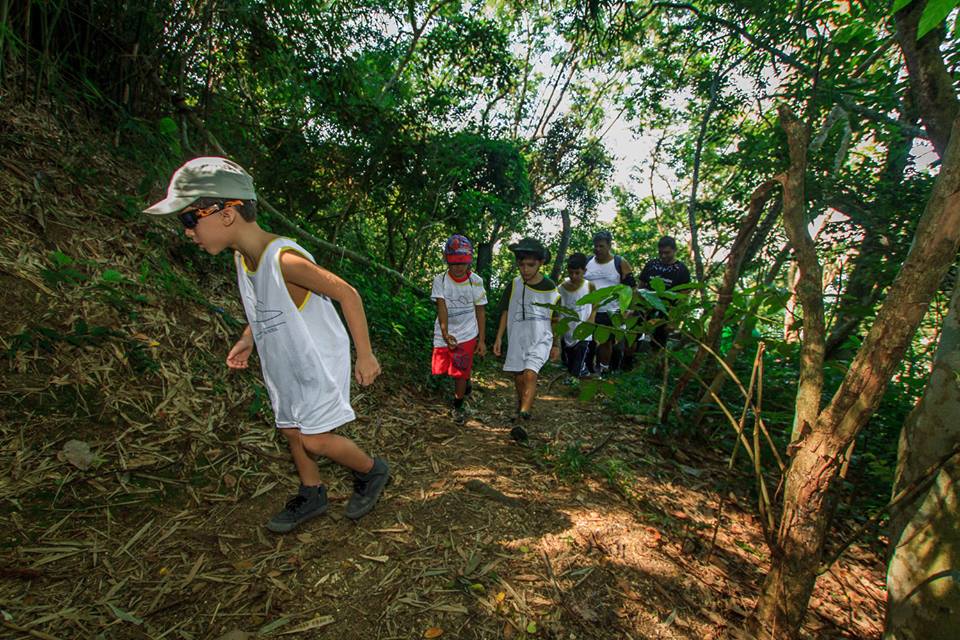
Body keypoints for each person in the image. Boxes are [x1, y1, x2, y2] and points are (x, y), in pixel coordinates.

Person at [144, 157, 390, 533]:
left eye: (189, 219)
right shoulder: (244, 257)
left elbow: (348, 293)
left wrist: (366, 354)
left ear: (226, 214)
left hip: (316, 360)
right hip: (284, 358)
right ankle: (312, 491)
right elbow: (265, 305)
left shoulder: (283, 259)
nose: (188, 232)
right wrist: (247, 339)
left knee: (315, 439)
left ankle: (372, 471)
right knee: (290, 428)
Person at [492, 237, 560, 440]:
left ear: (540, 263)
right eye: (521, 265)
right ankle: (522, 405)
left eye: (530, 265)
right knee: (520, 377)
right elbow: (505, 312)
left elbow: (556, 318)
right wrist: (498, 338)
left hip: (541, 338)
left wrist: (556, 344)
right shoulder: (513, 285)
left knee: (530, 374)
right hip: (517, 338)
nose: (525, 269)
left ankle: (523, 416)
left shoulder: (550, 287)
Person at [431, 234, 487, 422]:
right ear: (447, 261)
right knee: (442, 369)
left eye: (462, 263)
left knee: (459, 370)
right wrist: (445, 333)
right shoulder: (441, 280)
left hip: (467, 332)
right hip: (445, 332)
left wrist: (482, 340)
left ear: (469, 261)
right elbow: (442, 306)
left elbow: (480, 311)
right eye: (454, 263)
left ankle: (458, 405)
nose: (458, 267)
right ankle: (466, 379)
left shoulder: (476, 281)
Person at [584, 230, 635, 375]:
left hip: (612, 310)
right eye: (595, 246)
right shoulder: (588, 262)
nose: (597, 249)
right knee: (589, 340)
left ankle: (604, 368)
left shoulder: (620, 263)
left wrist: (629, 309)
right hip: (589, 310)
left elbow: (631, 287)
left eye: (601, 246)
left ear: (609, 245)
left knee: (607, 341)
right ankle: (586, 368)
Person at [638, 235, 692, 352]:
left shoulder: (681, 270)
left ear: (674, 250)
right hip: (645, 309)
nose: (663, 256)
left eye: (667, 253)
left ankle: (655, 365)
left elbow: (684, 297)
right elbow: (641, 286)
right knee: (634, 338)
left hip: (665, 313)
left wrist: (675, 320)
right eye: (661, 252)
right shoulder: (651, 265)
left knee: (658, 345)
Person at [558, 253, 597, 379]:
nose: (573, 276)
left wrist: (591, 319)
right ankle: (582, 372)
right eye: (571, 273)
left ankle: (574, 380)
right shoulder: (561, 287)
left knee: (581, 352)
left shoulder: (589, 286)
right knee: (570, 359)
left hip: (584, 327)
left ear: (584, 271)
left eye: (577, 273)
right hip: (568, 328)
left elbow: (595, 304)